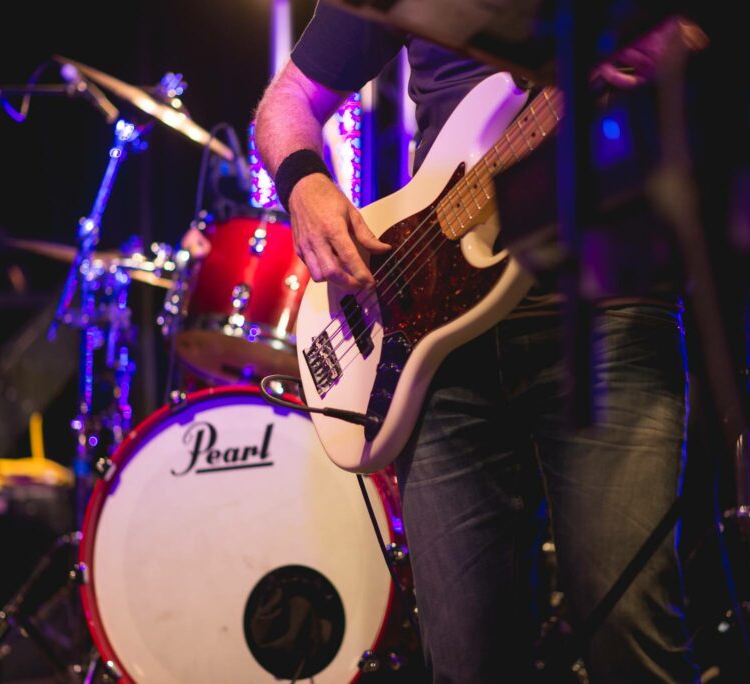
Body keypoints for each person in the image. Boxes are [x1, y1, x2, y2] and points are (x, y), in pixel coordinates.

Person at [255, 4, 702, 682]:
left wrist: (683, 38)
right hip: (433, 335)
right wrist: (303, 184)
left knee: (630, 636)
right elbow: (288, 99)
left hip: (607, 301)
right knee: (465, 663)